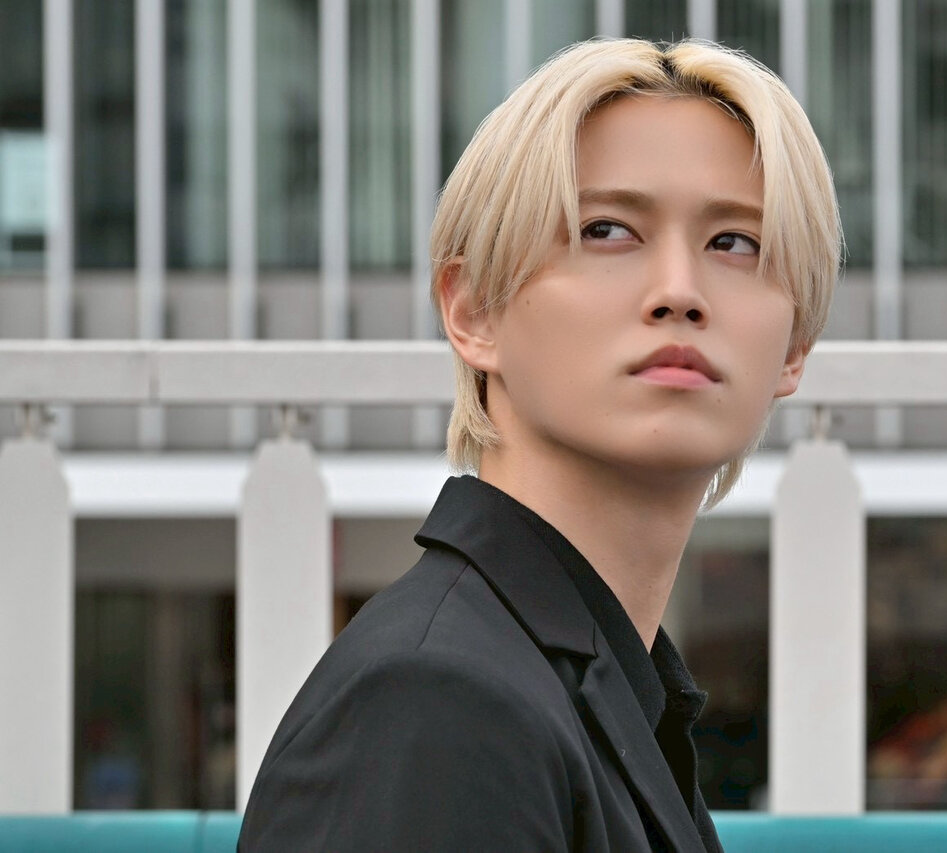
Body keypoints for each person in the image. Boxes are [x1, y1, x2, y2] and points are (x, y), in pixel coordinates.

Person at [238, 37, 839, 852]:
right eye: (607, 229)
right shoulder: (438, 700)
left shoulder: (599, 692)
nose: (679, 292)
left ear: (796, 345)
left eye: (735, 242)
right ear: (472, 311)